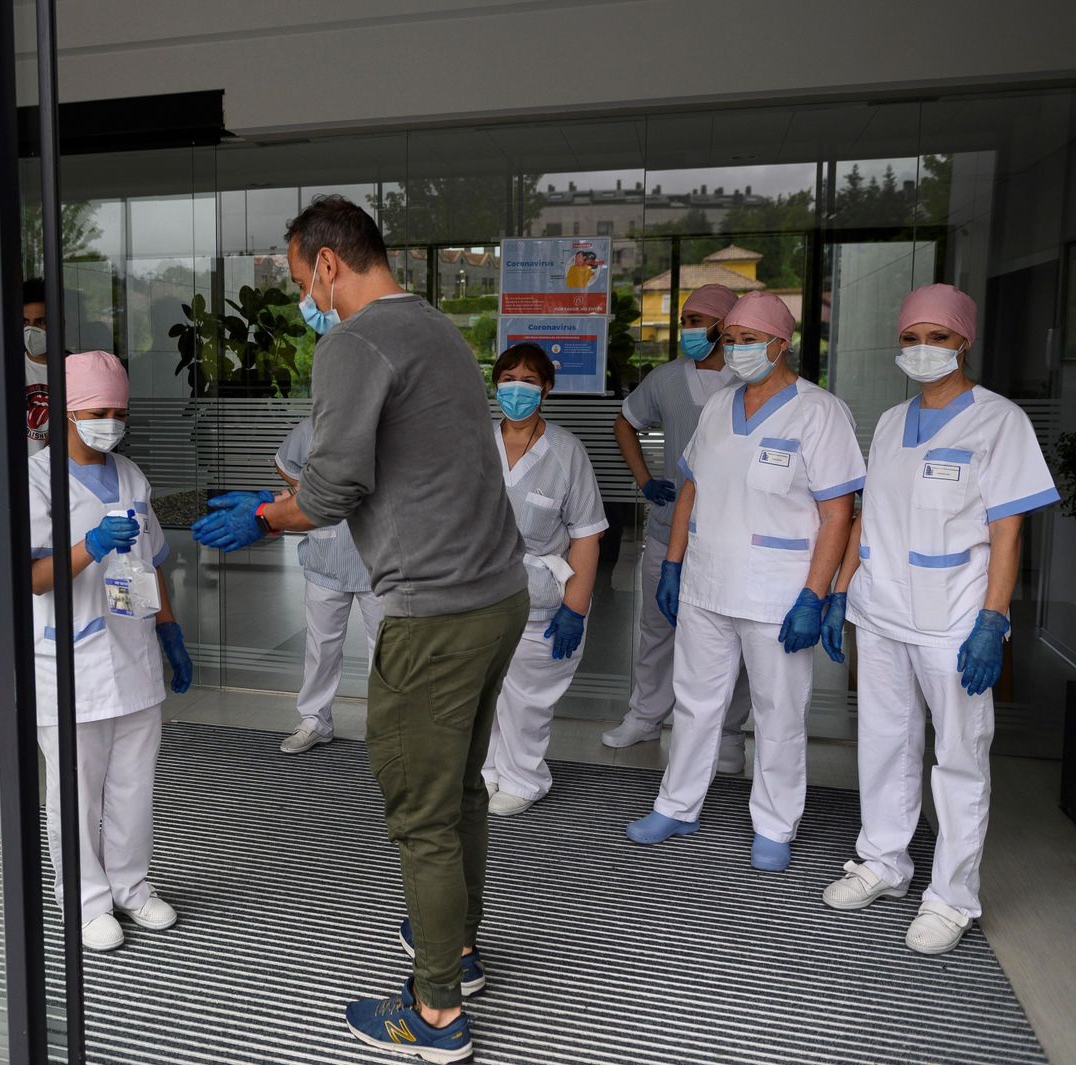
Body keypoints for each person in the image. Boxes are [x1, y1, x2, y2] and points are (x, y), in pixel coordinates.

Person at [192, 195, 526, 1063]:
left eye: (304, 280)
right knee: (458, 791)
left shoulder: (355, 340)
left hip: (437, 610)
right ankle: (455, 950)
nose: (309, 299)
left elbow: (334, 487)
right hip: (496, 594)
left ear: (329, 263)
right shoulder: (440, 329)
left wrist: (266, 516)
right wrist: (278, 504)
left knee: (421, 812)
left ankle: (437, 1015)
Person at [820, 284, 1058, 955]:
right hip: (883, 608)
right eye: (912, 337)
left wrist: (993, 621)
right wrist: (843, 588)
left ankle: (952, 897)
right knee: (885, 742)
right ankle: (883, 862)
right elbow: (869, 515)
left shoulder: (999, 421)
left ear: (964, 341)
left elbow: (1008, 535)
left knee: (958, 757)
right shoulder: (893, 422)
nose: (923, 350)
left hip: (955, 614)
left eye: (938, 337)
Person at [626, 291, 864, 872]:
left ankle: (777, 822)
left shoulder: (819, 412)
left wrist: (817, 594)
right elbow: (691, 488)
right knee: (696, 702)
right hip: (707, 582)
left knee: (778, 710)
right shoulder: (717, 407)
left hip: (778, 592)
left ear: (782, 345)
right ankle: (678, 804)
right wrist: (675, 564)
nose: (736, 351)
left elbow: (839, 512)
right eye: (729, 340)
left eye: (747, 340)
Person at [32, 349, 193, 953]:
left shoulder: (131, 475)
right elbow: (33, 578)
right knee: (74, 788)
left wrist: (171, 632)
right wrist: (92, 544)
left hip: (134, 652)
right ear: (67, 413)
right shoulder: (35, 479)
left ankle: (132, 886)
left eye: (119, 410)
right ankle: (86, 900)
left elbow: (151, 564)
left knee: (133, 784)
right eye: (98, 410)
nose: (111, 421)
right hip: (67, 659)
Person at [604, 283, 752, 774]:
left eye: (697, 321)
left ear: (725, 326)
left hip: (734, 536)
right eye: (685, 320)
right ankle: (645, 716)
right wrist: (645, 480)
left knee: (733, 637)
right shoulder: (667, 380)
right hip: (671, 527)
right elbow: (625, 422)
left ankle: (729, 735)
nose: (688, 330)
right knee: (656, 628)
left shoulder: (751, 381)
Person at [483, 342, 607, 816]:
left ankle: (525, 778)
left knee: (527, 697)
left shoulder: (566, 451)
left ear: (547, 390)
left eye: (529, 381)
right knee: (483, 689)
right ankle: (488, 769)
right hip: (480, 592)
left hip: (542, 597)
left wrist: (575, 607)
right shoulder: (475, 441)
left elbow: (587, 534)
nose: (517, 389)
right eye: (508, 378)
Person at [273, 415, 383, 754]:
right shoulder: (314, 427)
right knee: (320, 647)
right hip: (326, 554)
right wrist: (306, 494)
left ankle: (386, 728)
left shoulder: (394, 426)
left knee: (386, 652)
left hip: (380, 559)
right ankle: (314, 720)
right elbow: (285, 462)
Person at [22, 278, 52, 457]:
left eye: (41, 322)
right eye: (25, 321)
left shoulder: (76, 371)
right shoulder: (6, 371)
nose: (31, 330)